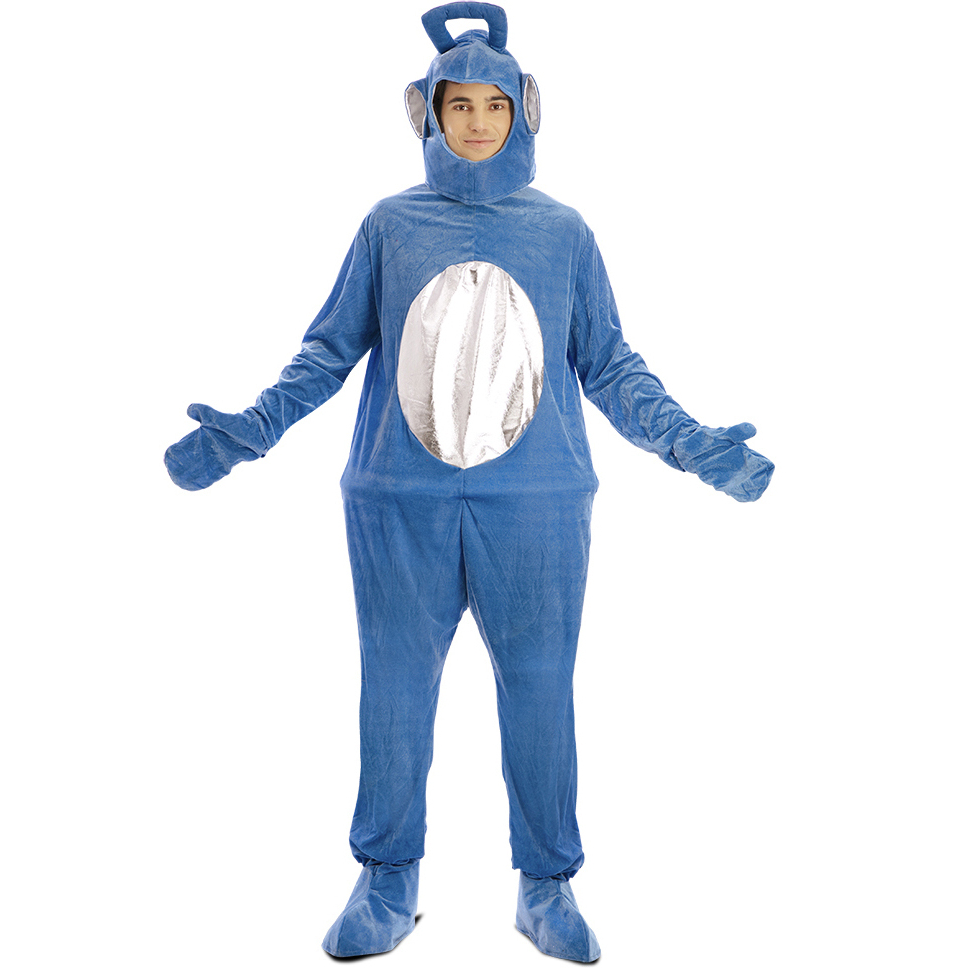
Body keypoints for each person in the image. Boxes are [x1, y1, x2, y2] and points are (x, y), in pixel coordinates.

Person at [164, 4, 774, 962]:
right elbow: (328, 350)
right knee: (394, 686)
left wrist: (690, 443)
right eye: (460, 104)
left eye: (496, 104)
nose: (479, 121)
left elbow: (610, 364)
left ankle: (547, 884)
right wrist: (254, 428)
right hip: (396, 502)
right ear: (428, 113)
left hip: (537, 505)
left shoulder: (564, 233)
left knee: (540, 686)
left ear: (526, 111)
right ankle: (387, 877)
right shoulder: (389, 226)